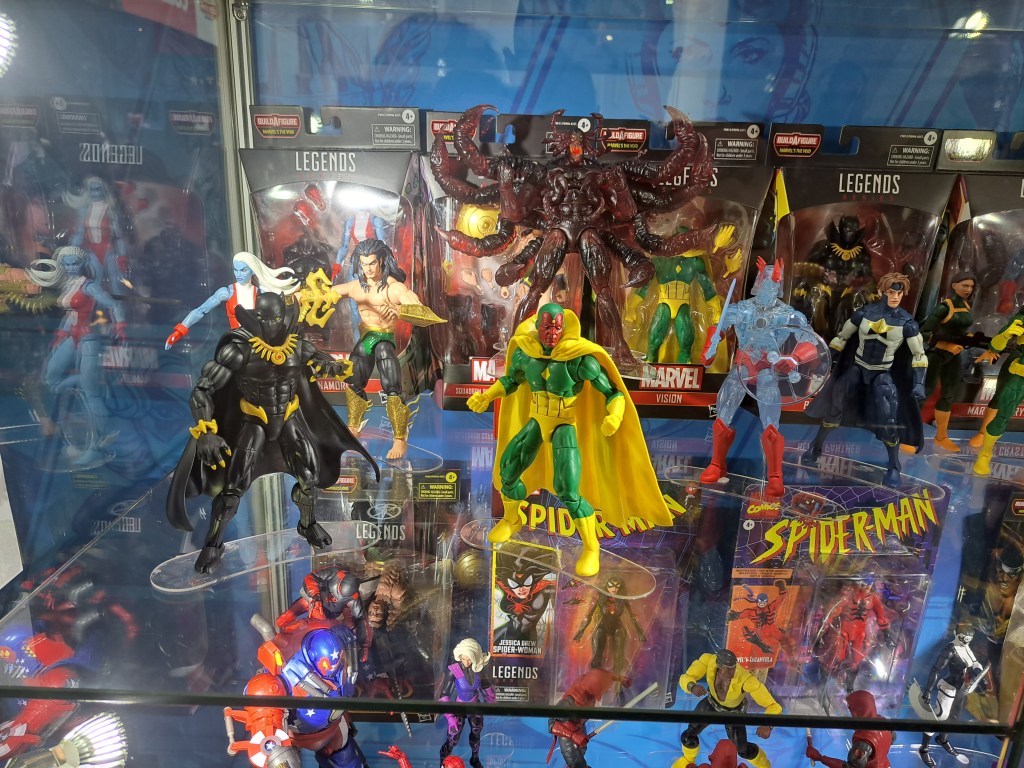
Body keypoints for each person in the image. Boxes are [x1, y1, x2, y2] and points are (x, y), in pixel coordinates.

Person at [165, 291, 378, 573]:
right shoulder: (239, 350)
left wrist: (347, 363)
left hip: (289, 417)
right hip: (254, 421)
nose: (273, 324)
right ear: (258, 318)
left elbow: (326, 364)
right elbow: (202, 391)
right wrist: (206, 432)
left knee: (309, 477)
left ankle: (307, 524)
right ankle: (213, 544)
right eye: (267, 318)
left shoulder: (297, 345)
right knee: (234, 488)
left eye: (277, 318)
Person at [467, 303, 672, 577]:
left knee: (568, 491)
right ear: (538, 326)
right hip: (536, 422)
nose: (552, 332)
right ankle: (511, 519)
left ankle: (591, 547)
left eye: (557, 327)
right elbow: (511, 381)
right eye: (547, 326)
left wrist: (614, 415)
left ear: (564, 328)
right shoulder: (526, 354)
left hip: (563, 425)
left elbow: (613, 393)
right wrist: (487, 396)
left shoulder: (578, 359)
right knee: (508, 472)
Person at [803, 272, 927, 487]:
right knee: (835, 407)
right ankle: (816, 448)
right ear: (881, 291)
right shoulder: (864, 314)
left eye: (899, 293)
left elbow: (919, 355)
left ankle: (894, 466)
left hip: (882, 372)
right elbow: (842, 338)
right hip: (858, 368)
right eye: (890, 292)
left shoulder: (907, 324)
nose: (895, 297)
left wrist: (919, 383)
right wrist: (825, 362)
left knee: (889, 419)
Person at [333, 239, 445, 460]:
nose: (368, 269)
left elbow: (424, 314)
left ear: (381, 261)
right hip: (366, 338)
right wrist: (297, 296)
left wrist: (399, 311)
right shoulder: (356, 287)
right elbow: (328, 293)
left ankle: (400, 438)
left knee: (392, 388)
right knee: (353, 381)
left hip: (384, 338)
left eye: (372, 263)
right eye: (364, 264)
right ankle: (354, 426)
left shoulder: (393, 288)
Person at [165, 251, 299, 349]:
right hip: (237, 341)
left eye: (243, 270)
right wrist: (180, 331)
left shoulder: (261, 293)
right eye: (236, 270)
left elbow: (278, 314)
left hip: (259, 343)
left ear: (252, 271)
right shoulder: (227, 292)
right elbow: (201, 311)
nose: (238, 274)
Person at [673, 649, 780, 768]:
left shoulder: (747, 680)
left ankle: (765, 765)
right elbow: (686, 677)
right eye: (728, 669)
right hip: (711, 703)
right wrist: (692, 686)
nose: (732, 672)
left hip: (734, 712)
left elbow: (773, 705)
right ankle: (688, 760)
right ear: (719, 665)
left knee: (742, 750)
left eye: (733, 668)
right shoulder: (708, 661)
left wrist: (768, 724)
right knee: (688, 736)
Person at [919, 272, 977, 452]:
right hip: (936, 355)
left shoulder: (966, 305)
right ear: (954, 285)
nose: (968, 289)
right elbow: (924, 332)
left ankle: (941, 436)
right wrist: (945, 344)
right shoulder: (945, 307)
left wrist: (967, 337)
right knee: (923, 393)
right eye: (965, 285)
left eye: (971, 286)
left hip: (953, 355)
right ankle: (908, 435)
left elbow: (958, 330)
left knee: (949, 395)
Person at [438, 638, 495, 768]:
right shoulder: (454, 670)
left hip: (474, 705)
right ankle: (443, 760)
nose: (466, 662)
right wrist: (450, 717)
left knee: (476, 732)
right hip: (459, 706)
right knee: (453, 737)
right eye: (463, 659)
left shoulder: (478, 669)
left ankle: (475, 759)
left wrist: (492, 701)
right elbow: (443, 695)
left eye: (469, 659)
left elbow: (486, 686)